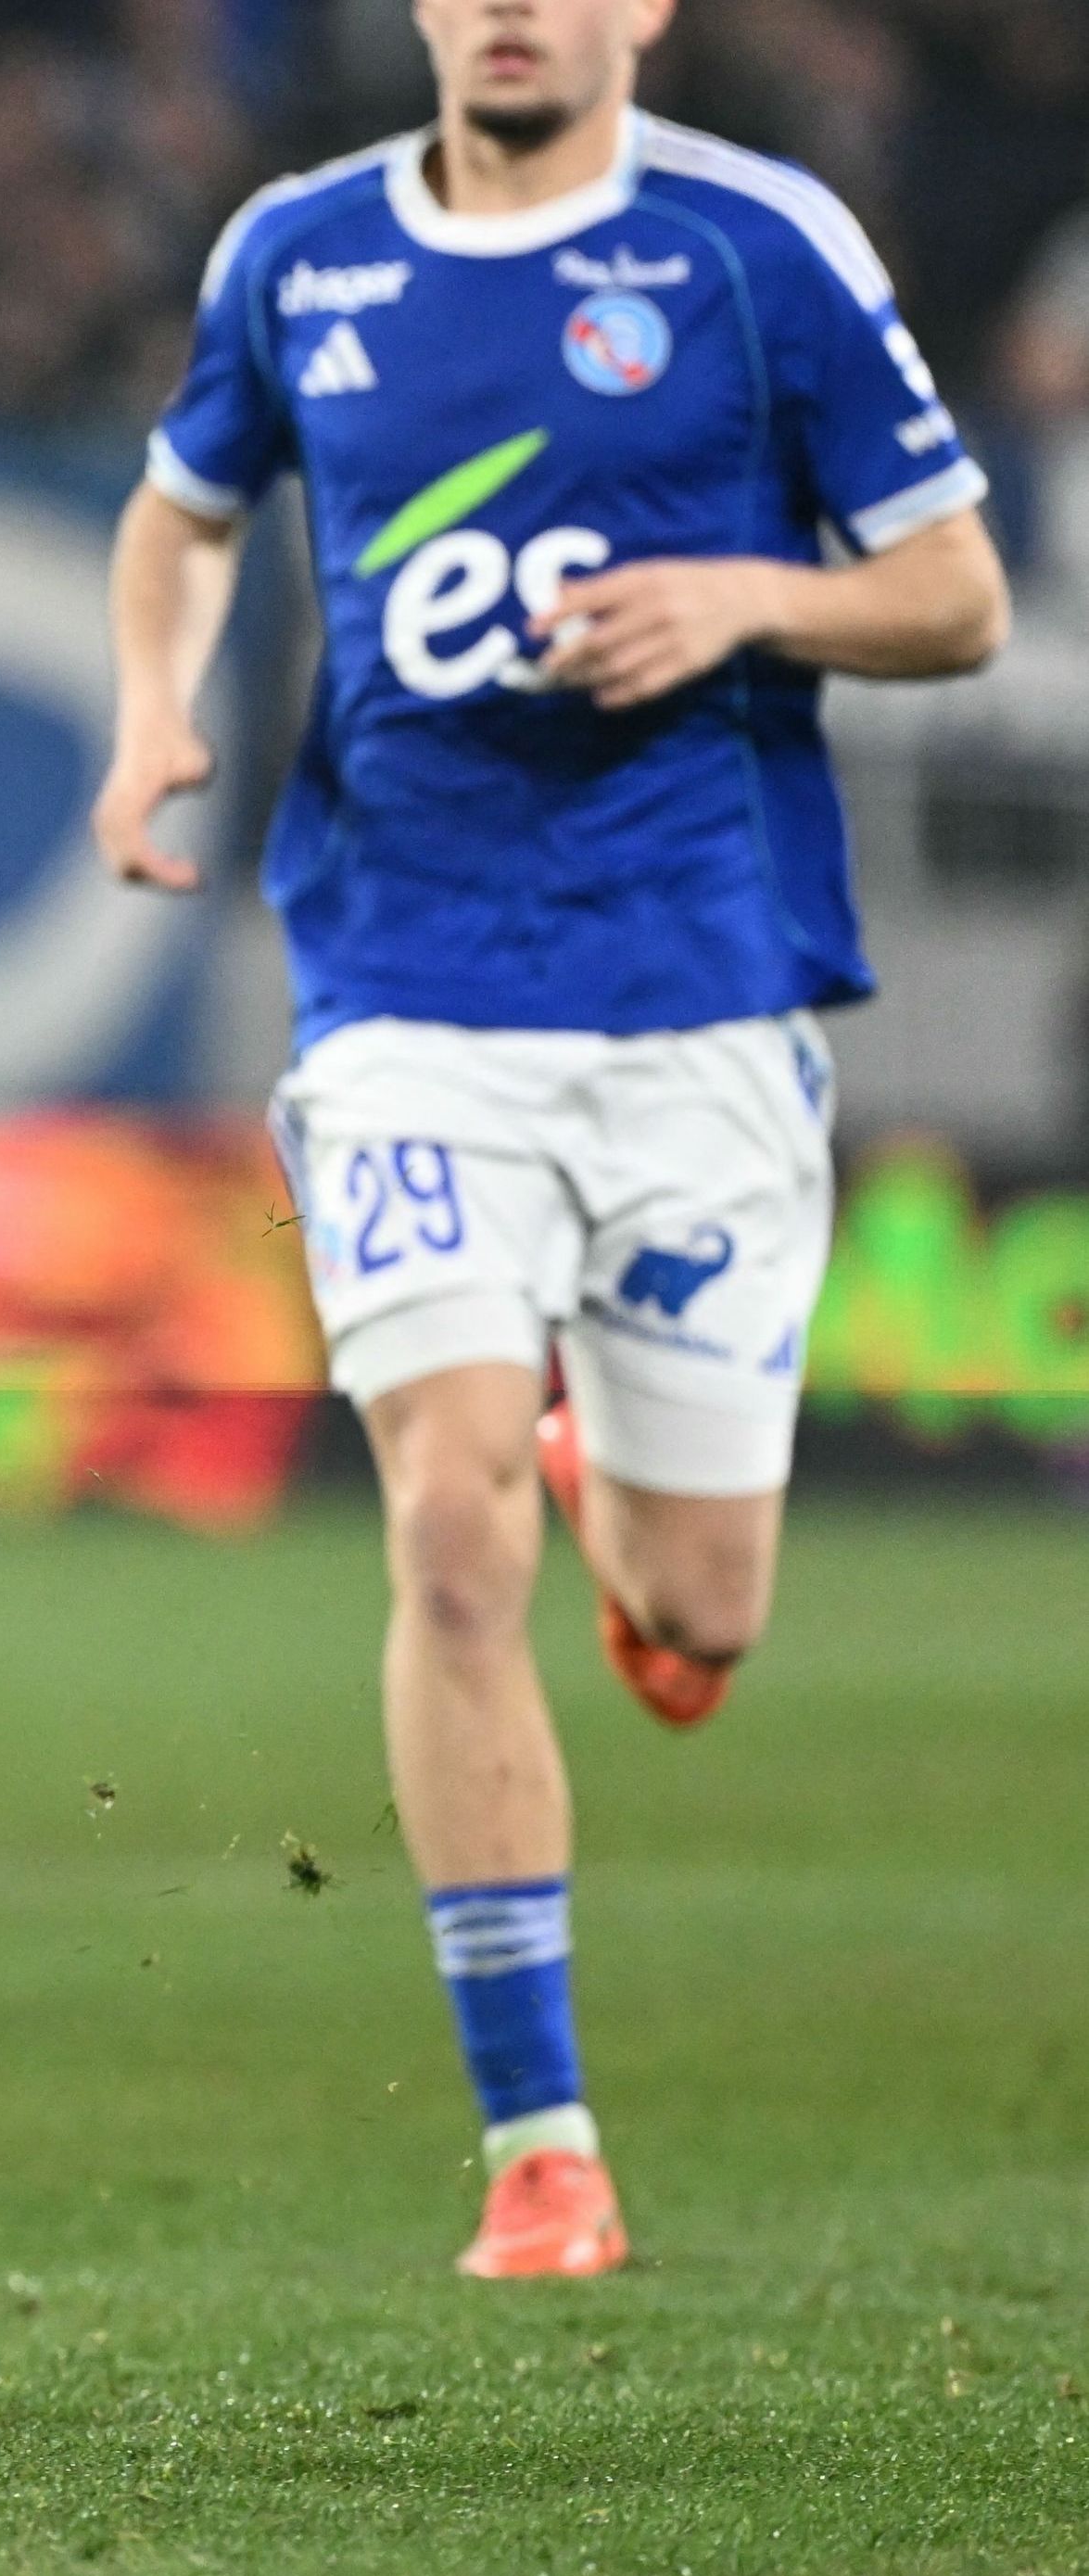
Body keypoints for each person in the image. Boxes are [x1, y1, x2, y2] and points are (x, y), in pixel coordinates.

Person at [95, 0, 1008, 2278]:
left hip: (700, 998)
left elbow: (960, 588)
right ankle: (543, 2140)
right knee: (446, 1527)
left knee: (701, 1617)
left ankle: (641, 1512)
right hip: (405, 988)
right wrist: (148, 715)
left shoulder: (752, 245)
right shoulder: (298, 251)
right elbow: (183, 512)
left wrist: (755, 594)